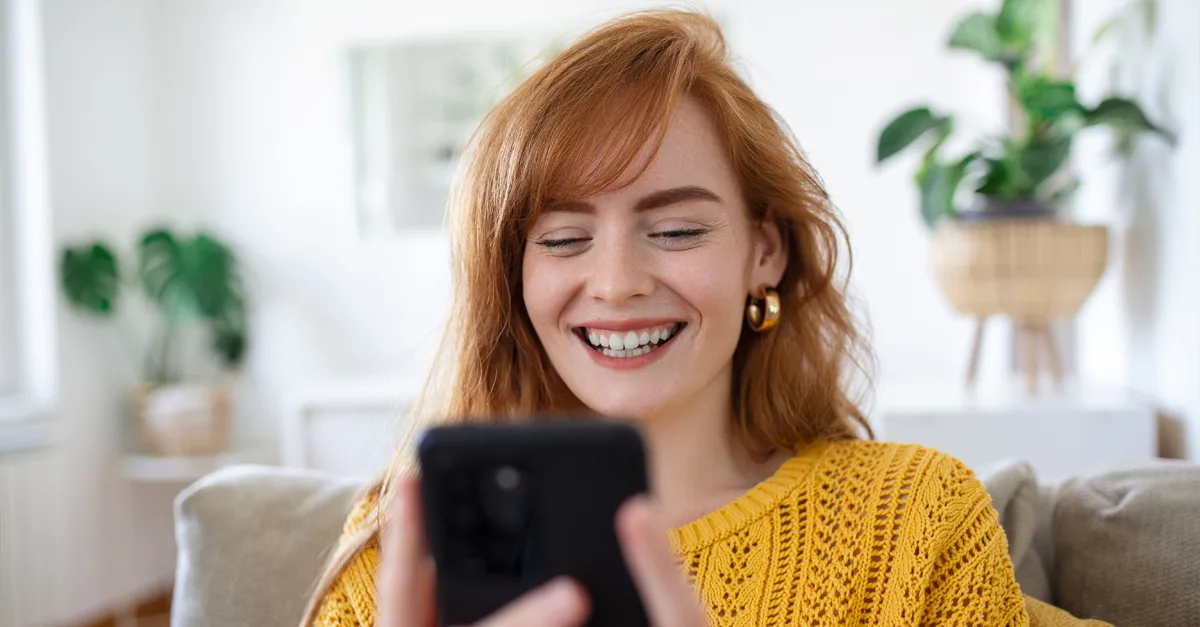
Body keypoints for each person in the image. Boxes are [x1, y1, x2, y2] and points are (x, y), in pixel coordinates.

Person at [303, 10, 1110, 627]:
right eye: (564, 238)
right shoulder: (401, 551)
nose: (616, 284)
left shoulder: (912, 516)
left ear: (766, 250)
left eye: (677, 230)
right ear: (512, 274)